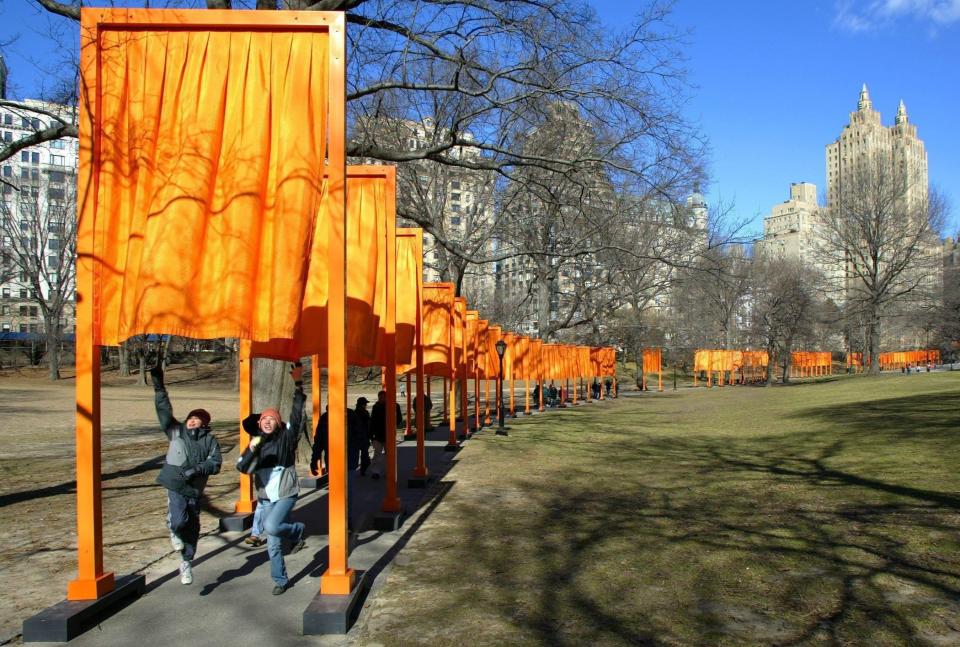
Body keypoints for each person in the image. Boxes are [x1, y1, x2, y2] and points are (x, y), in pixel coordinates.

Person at [237, 363, 308, 595]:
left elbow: (296, 415)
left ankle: (298, 530)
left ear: (278, 423)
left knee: (270, 526)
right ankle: (280, 580)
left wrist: (298, 384)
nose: (267, 421)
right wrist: (251, 449)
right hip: (266, 498)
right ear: (259, 424)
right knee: (273, 540)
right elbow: (243, 468)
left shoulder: (286, 438)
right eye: (264, 419)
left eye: (272, 419)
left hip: (286, 493)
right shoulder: (256, 443)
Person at [150, 361, 223, 586]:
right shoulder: (176, 431)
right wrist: (159, 387)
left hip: (194, 488)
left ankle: (187, 563)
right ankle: (173, 527)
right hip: (175, 484)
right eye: (191, 417)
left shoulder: (210, 441)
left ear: (204, 424)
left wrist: (198, 469)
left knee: (192, 528)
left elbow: (216, 463)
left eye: (197, 419)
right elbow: (164, 411)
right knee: (179, 518)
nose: (192, 420)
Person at [369, 389, 403, 480]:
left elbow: (399, 419)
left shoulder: (394, 406)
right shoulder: (376, 407)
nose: (381, 399)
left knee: (389, 454)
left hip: (389, 434)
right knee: (377, 454)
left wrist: (392, 424)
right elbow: (372, 421)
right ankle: (376, 472)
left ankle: (390, 471)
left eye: (383, 397)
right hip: (378, 435)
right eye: (380, 397)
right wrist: (371, 434)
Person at [354, 397, 371, 475]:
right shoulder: (365, 413)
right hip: (363, 436)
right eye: (365, 404)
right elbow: (368, 424)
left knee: (357, 454)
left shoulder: (354, 413)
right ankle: (362, 469)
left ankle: (357, 468)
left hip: (358, 436)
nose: (366, 405)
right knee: (364, 454)